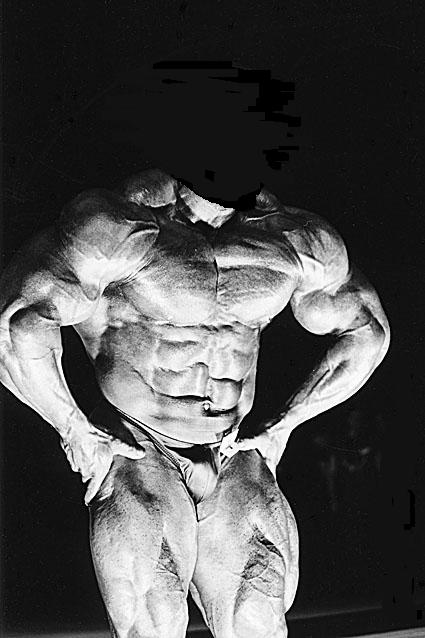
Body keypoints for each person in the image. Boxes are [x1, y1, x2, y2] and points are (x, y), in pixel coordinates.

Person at [0, 167, 390, 637]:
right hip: (141, 447)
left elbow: (368, 333)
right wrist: (73, 428)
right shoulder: (117, 226)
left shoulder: (292, 239)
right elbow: (18, 322)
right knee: (155, 622)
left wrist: (286, 423)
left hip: (232, 448)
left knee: (258, 620)